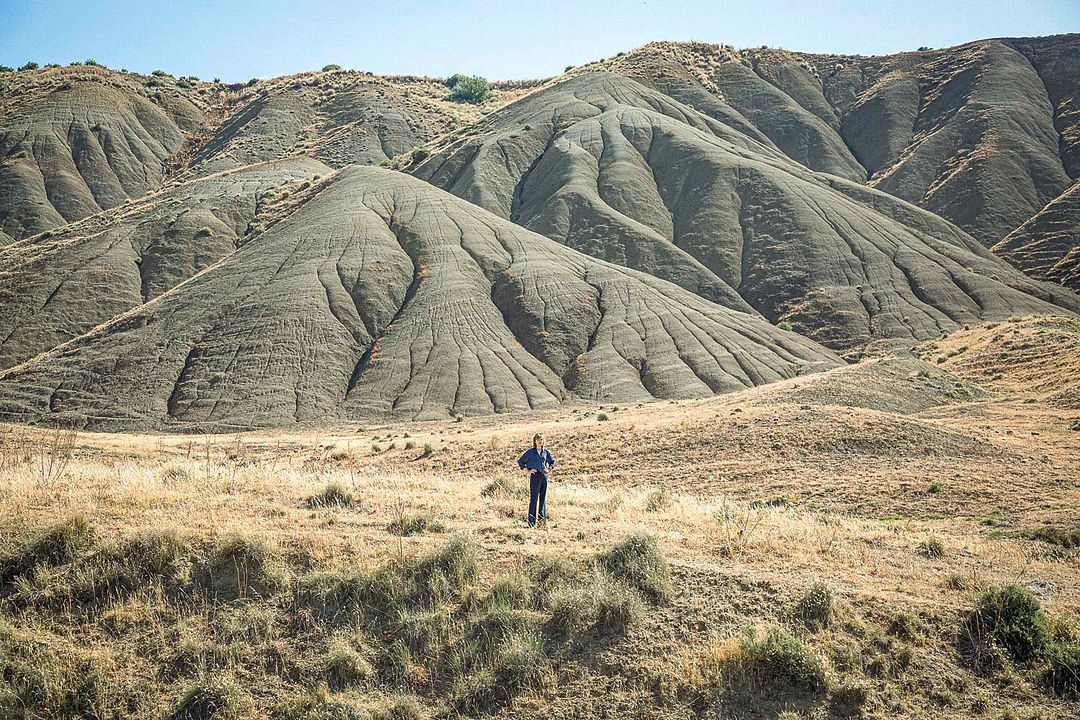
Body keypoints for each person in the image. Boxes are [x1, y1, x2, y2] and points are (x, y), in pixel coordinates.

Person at [517, 433, 555, 528]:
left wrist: (549, 468)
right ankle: (531, 523)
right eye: (538, 439)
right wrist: (527, 471)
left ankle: (542, 522)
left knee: (543, 499)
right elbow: (520, 461)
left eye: (541, 439)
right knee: (534, 499)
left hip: (544, 476)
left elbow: (552, 462)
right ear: (535, 441)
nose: (540, 441)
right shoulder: (530, 452)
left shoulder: (545, 452)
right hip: (535, 476)